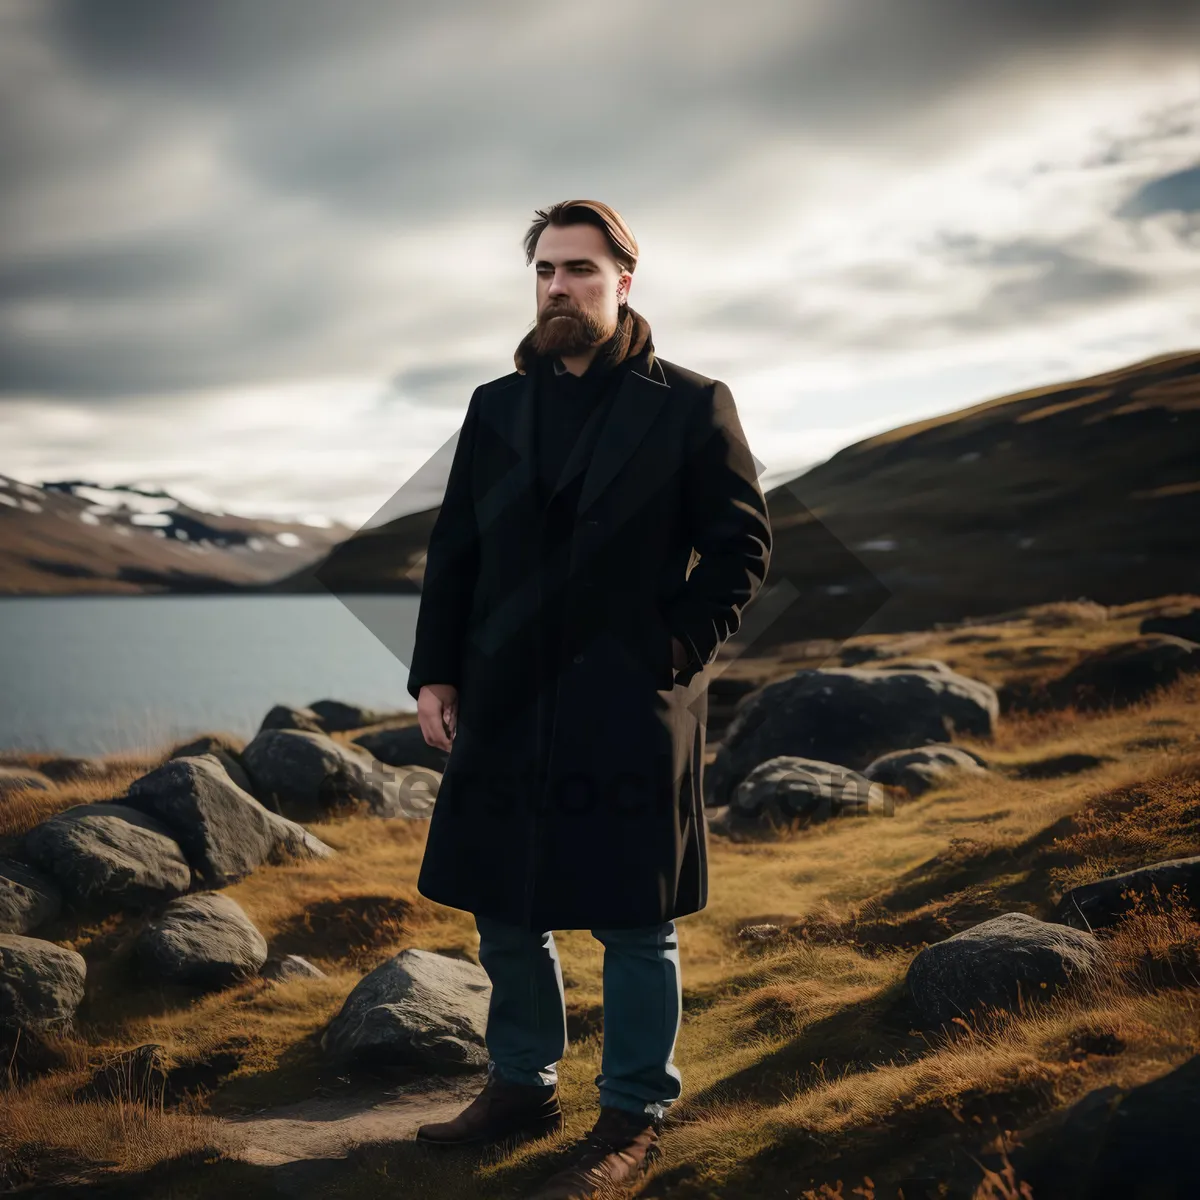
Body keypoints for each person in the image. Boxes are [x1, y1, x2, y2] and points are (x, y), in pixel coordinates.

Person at [406, 199, 771, 1198]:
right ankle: (522, 1084)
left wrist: (673, 647)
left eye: (578, 269)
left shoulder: (691, 403)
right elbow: (457, 551)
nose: (559, 288)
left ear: (624, 279)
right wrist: (437, 671)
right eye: (544, 272)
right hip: (506, 694)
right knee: (504, 906)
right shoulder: (496, 406)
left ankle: (634, 1111)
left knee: (632, 917)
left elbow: (743, 545)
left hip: (629, 698)